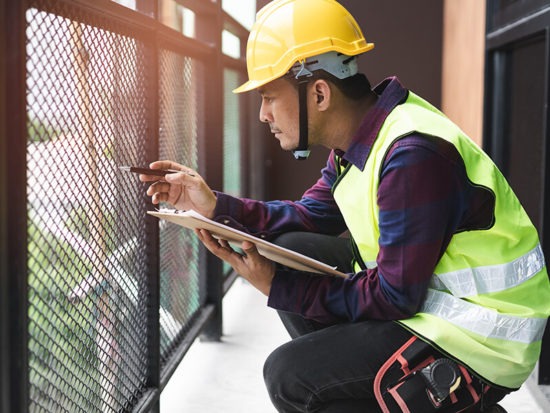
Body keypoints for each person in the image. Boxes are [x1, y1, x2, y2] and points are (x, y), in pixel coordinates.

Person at [141, 0, 550, 412]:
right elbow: (308, 215)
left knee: (290, 377)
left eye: (268, 96)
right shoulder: (361, 140)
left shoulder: (411, 155)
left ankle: (456, 401)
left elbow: (394, 297)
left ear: (319, 92)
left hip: (483, 341)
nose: (263, 114)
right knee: (294, 249)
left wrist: (279, 288)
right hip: (432, 303)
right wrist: (213, 206)